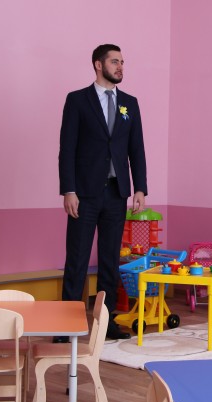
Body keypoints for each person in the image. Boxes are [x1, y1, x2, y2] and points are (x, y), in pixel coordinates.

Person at [58, 44, 147, 341]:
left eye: (122, 62)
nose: (120, 66)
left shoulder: (130, 103)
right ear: (98, 64)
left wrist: (140, 188)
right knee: (77, 260)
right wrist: (68, 190)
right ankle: (66, 326)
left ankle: (105, 323)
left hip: (116, 193)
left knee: (110, 260)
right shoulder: (77, 100)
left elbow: (136, 149)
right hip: (83, 194)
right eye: (114, 61)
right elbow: (67, 149)